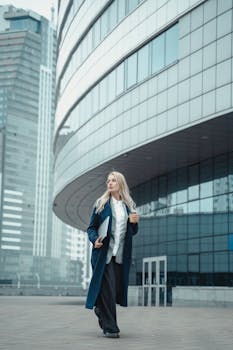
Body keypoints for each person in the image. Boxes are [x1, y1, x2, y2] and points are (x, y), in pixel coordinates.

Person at [85, 171, 139, 338]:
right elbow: (91, 228)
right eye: (108, 181)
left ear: (120, 183)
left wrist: (135, 223)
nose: (109, 183)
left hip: (120, 255)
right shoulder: (101, 204)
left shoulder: (128, 206)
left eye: (113, 180)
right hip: (103, 255)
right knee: (107, 290)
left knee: (114, 290)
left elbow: (133, 232)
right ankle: (111, 328)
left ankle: (100, 309)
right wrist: (95, 240)